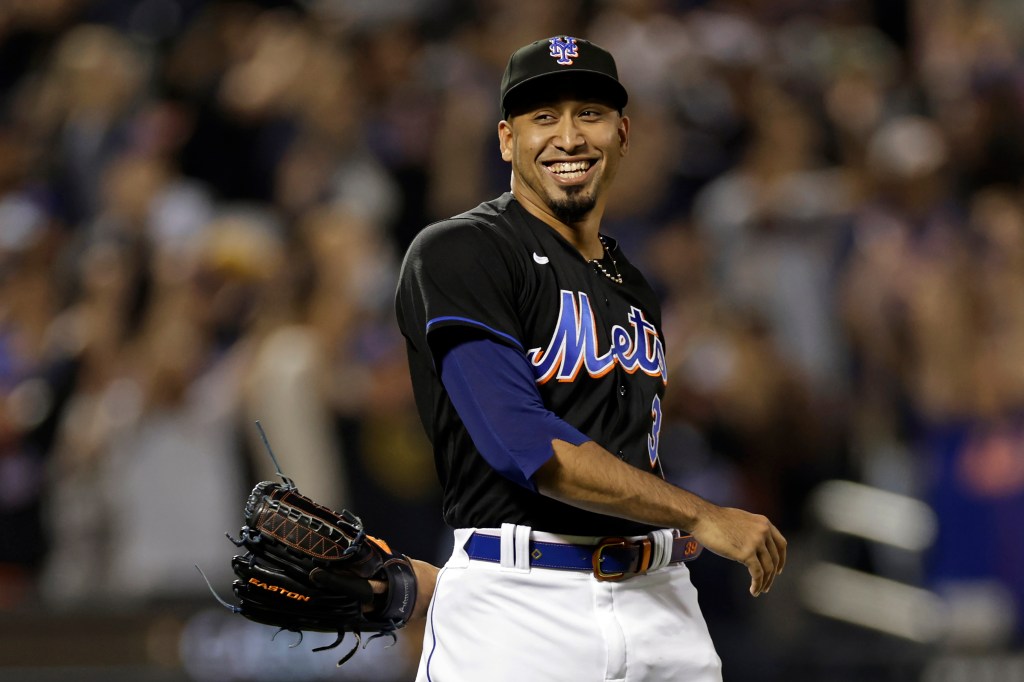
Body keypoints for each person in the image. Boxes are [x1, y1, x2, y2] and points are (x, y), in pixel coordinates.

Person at [395, 36, 786, 681]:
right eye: (542, 117)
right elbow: (527, 446)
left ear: (622, 132)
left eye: (590, 115)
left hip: (660, 598)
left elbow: (631, 451)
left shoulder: (633, 284)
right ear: (505, 140)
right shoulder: (461, 252)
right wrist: (702, 514)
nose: (568, 137)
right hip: (521, 606)